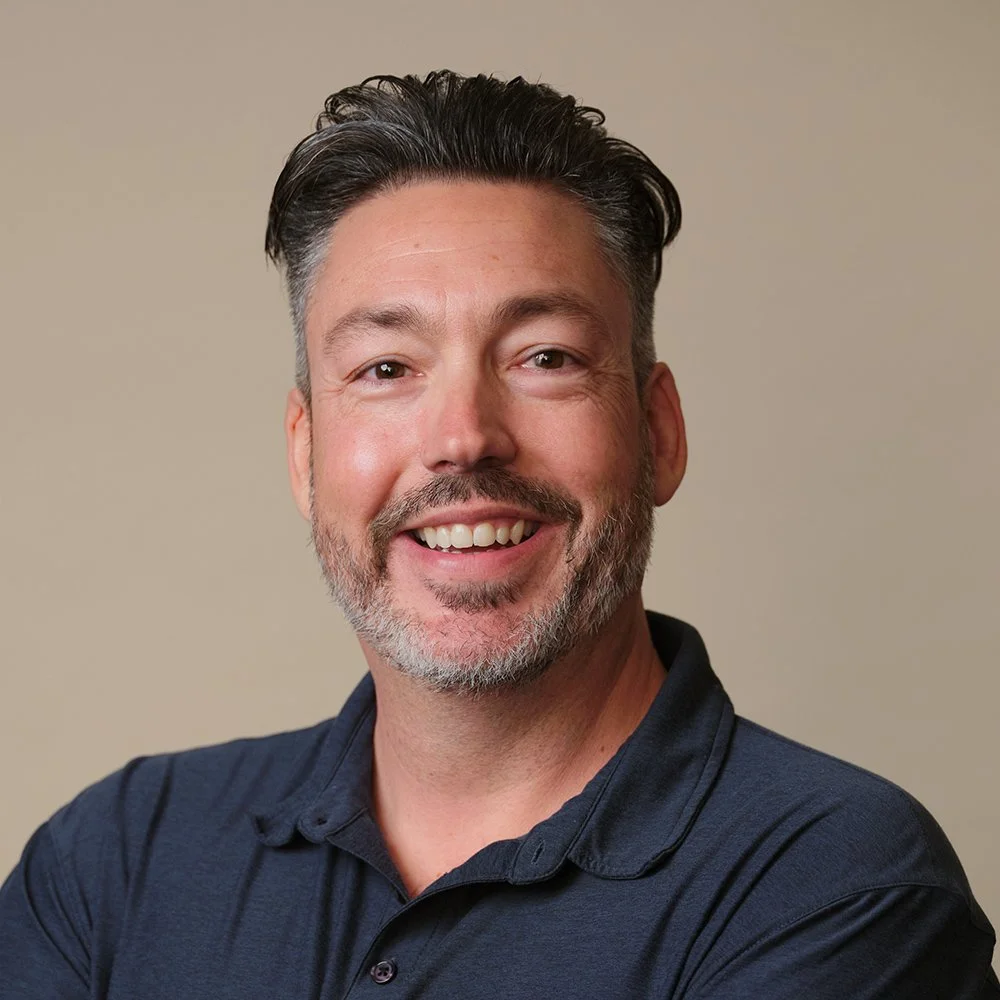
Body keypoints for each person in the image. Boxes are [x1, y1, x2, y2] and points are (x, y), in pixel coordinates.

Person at [1, 70, 996, 999]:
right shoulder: (117, 861)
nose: (463, 436)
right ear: (306, 458)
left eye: (545, 356)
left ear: (657, 431)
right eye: (387, 368)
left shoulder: (838, 884)